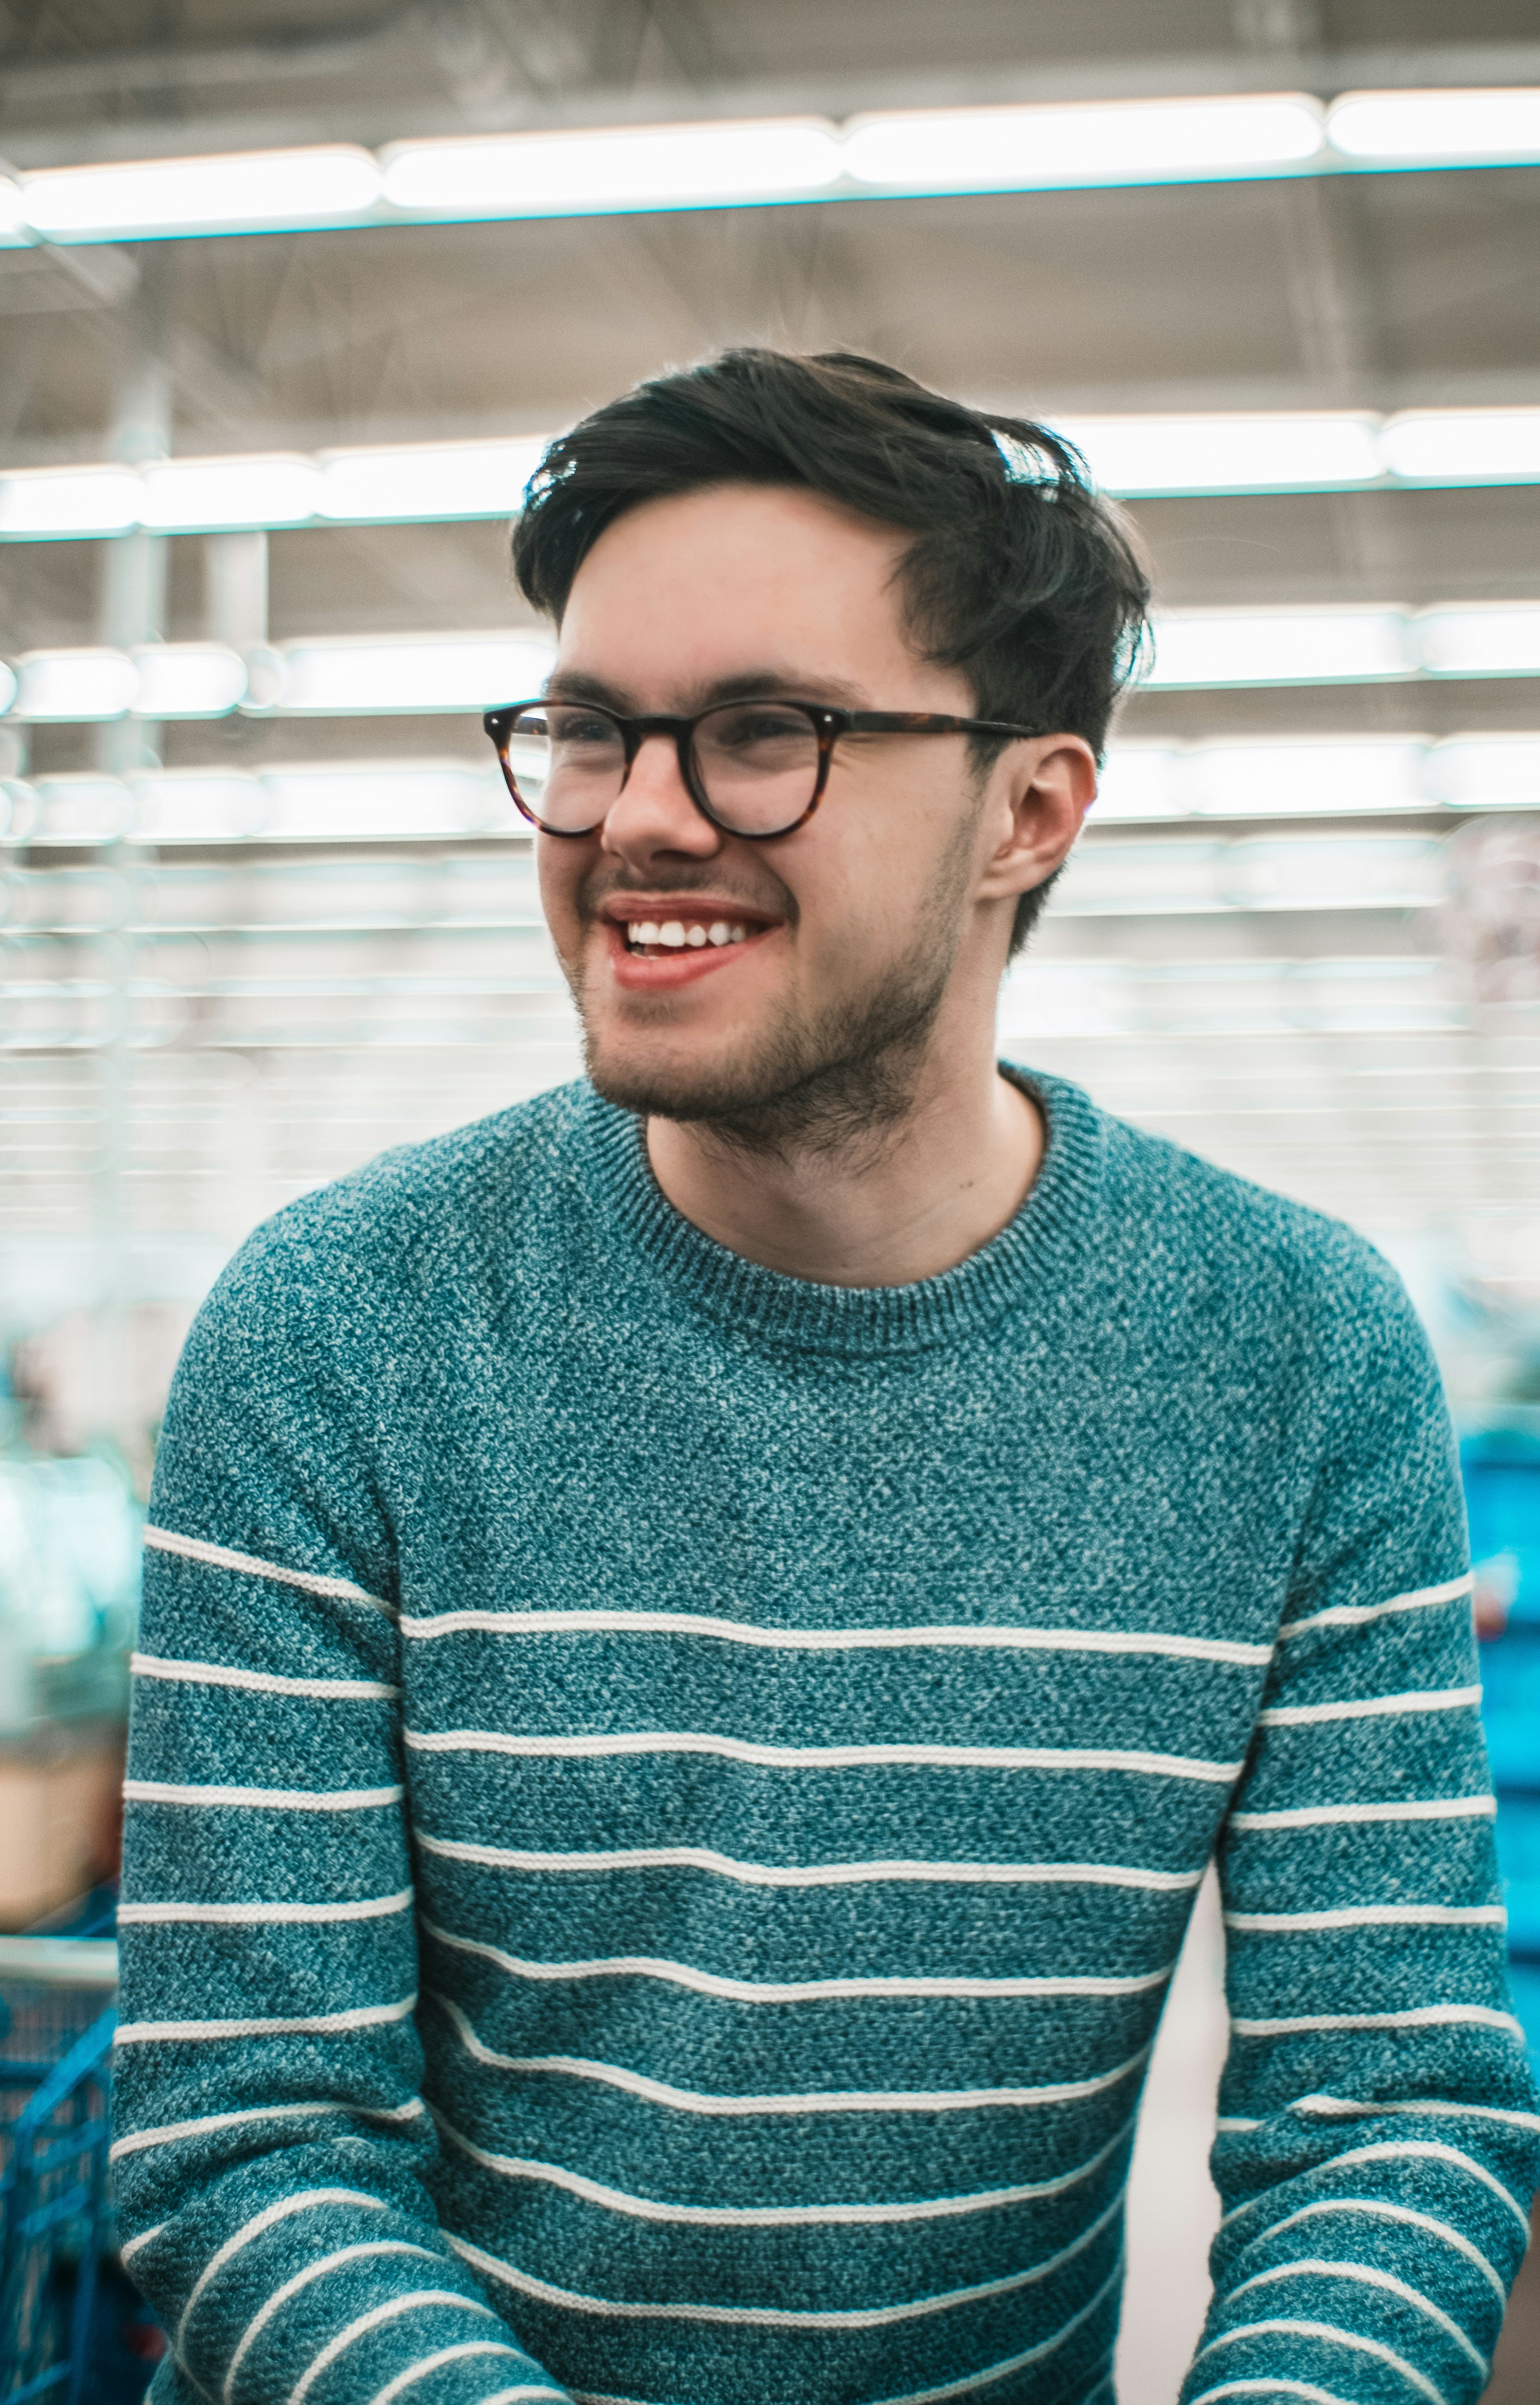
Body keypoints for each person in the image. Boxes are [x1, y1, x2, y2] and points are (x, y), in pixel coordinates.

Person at [113, 349, 1539, 2405]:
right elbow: (254, 2136)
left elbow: (1385, 2115)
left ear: (1026, 810)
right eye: (589, 732)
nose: (638, 817)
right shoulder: (343, 1324)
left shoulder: (1291, 1350)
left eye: (761, 733)